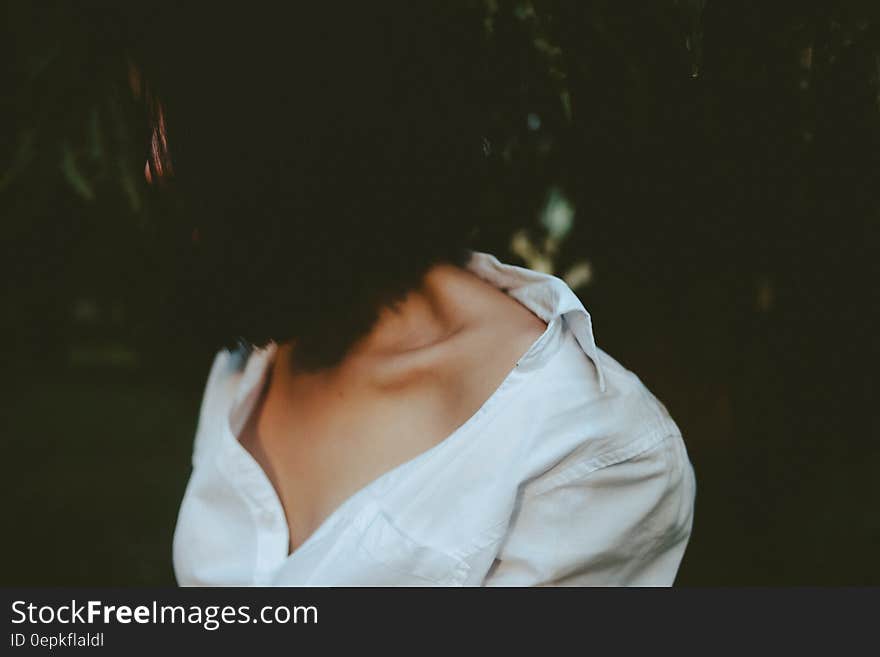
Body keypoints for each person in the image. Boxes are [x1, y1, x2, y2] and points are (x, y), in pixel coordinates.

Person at [128, 4, 695, 586]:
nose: (154, 164)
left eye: (186, 118)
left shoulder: (584, 451)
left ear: (299, 118)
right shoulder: (255, 352)